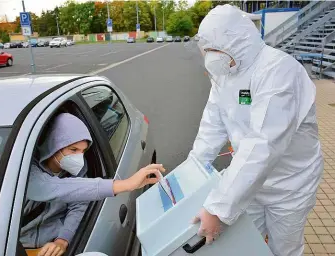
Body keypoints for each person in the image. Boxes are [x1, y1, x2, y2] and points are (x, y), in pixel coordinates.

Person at [190, 5, 323, 256]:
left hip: (290, 184)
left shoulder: (278, 70)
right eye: (207, 50)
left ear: (237, 41)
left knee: (283, 249)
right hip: (249, 183)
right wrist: (191, 172)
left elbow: (264, 144)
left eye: (215, 49)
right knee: (243, 246)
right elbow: (211, 127)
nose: (211, 57)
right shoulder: (225, 73)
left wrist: (217, 208)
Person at [20, 113, 165, 256]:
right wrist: (126, 185)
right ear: (54, 145)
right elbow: (52, 188)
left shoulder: (79, 170)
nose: (79, 157)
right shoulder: (27, 170)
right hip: (19, 244)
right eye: (73, 150)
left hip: (49, 244)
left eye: (83, 151)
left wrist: (62, 240)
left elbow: (78, 204)